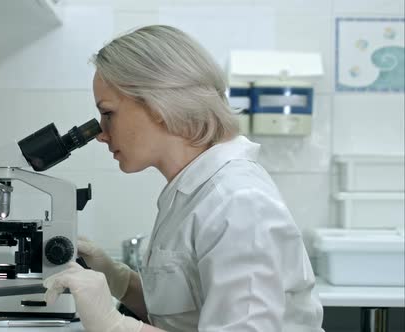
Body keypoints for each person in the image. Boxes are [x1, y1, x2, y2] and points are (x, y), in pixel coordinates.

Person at [43, 25, 324, 332]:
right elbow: (184, 316)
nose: (100, 133)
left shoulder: (237, 202)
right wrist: (116, 279)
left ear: (158, 104)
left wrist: (114, 325)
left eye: (108, 113)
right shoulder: (191, 191)